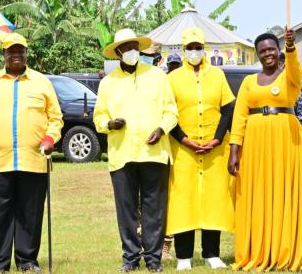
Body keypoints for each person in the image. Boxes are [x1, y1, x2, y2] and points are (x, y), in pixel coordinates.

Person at [0, 32, 63, 274]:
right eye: (11, 51)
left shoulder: (42, 82)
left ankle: (27, 260)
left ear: (26, 54)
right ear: (3, 54)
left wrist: (50, 138)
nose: (16, 55)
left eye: (20, 50)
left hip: (34, 159)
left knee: (30, 214)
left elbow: (56, 117)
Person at [94, 29, 179, 273]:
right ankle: (130, 257)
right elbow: (99, 116)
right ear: (118, 52)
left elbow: (171, 112)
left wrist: (162, 130)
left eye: (134, 46)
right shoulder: (108, 83)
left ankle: (153, 259)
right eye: (126, 47)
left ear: (139, 49)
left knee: (155, 209)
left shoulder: (158, 76)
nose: (131, 51)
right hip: (122, 154)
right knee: (127, 209)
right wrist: (108, 124)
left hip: (154, 153)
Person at [228, 29, 302, 271]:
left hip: (285, 141)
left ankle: (284, 249)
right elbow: (239, 116)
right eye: (262, 51)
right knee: (257, 192)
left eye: (271, 49)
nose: (267, 54)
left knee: (282, 190)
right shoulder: (248, 82)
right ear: (257, 54)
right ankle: (257, 249)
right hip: (254, 144)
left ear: (278, 51)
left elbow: (295, 69)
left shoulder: (289, 77)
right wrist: (234, 150)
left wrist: (292, 49)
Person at [165, 27, 235, 271]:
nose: (194, 52)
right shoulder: (172, 79)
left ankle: (211, 253)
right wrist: (185, 140)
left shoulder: (217, 75)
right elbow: (168, 114)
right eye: (190, 48)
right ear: (183, 50)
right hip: (183, 149)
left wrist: (216, 139)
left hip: (214, 150)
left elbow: (228, 108)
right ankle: (183, 256)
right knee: (184, 199)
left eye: (198, 47)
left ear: (204, 49)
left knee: (212, 199)